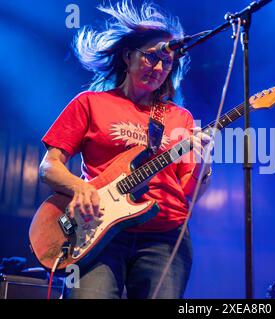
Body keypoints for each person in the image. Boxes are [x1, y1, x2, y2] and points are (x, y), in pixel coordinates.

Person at [39, 0, 213, 299]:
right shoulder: (90, 103)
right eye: (151, 57)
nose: (159, 68)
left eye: (167, 63)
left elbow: (188, 192)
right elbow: (49, 166)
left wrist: (203, 161)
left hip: (164, 237)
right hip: (97, 231)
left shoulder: (179, 118)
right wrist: (80, 188)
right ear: (127, 55)